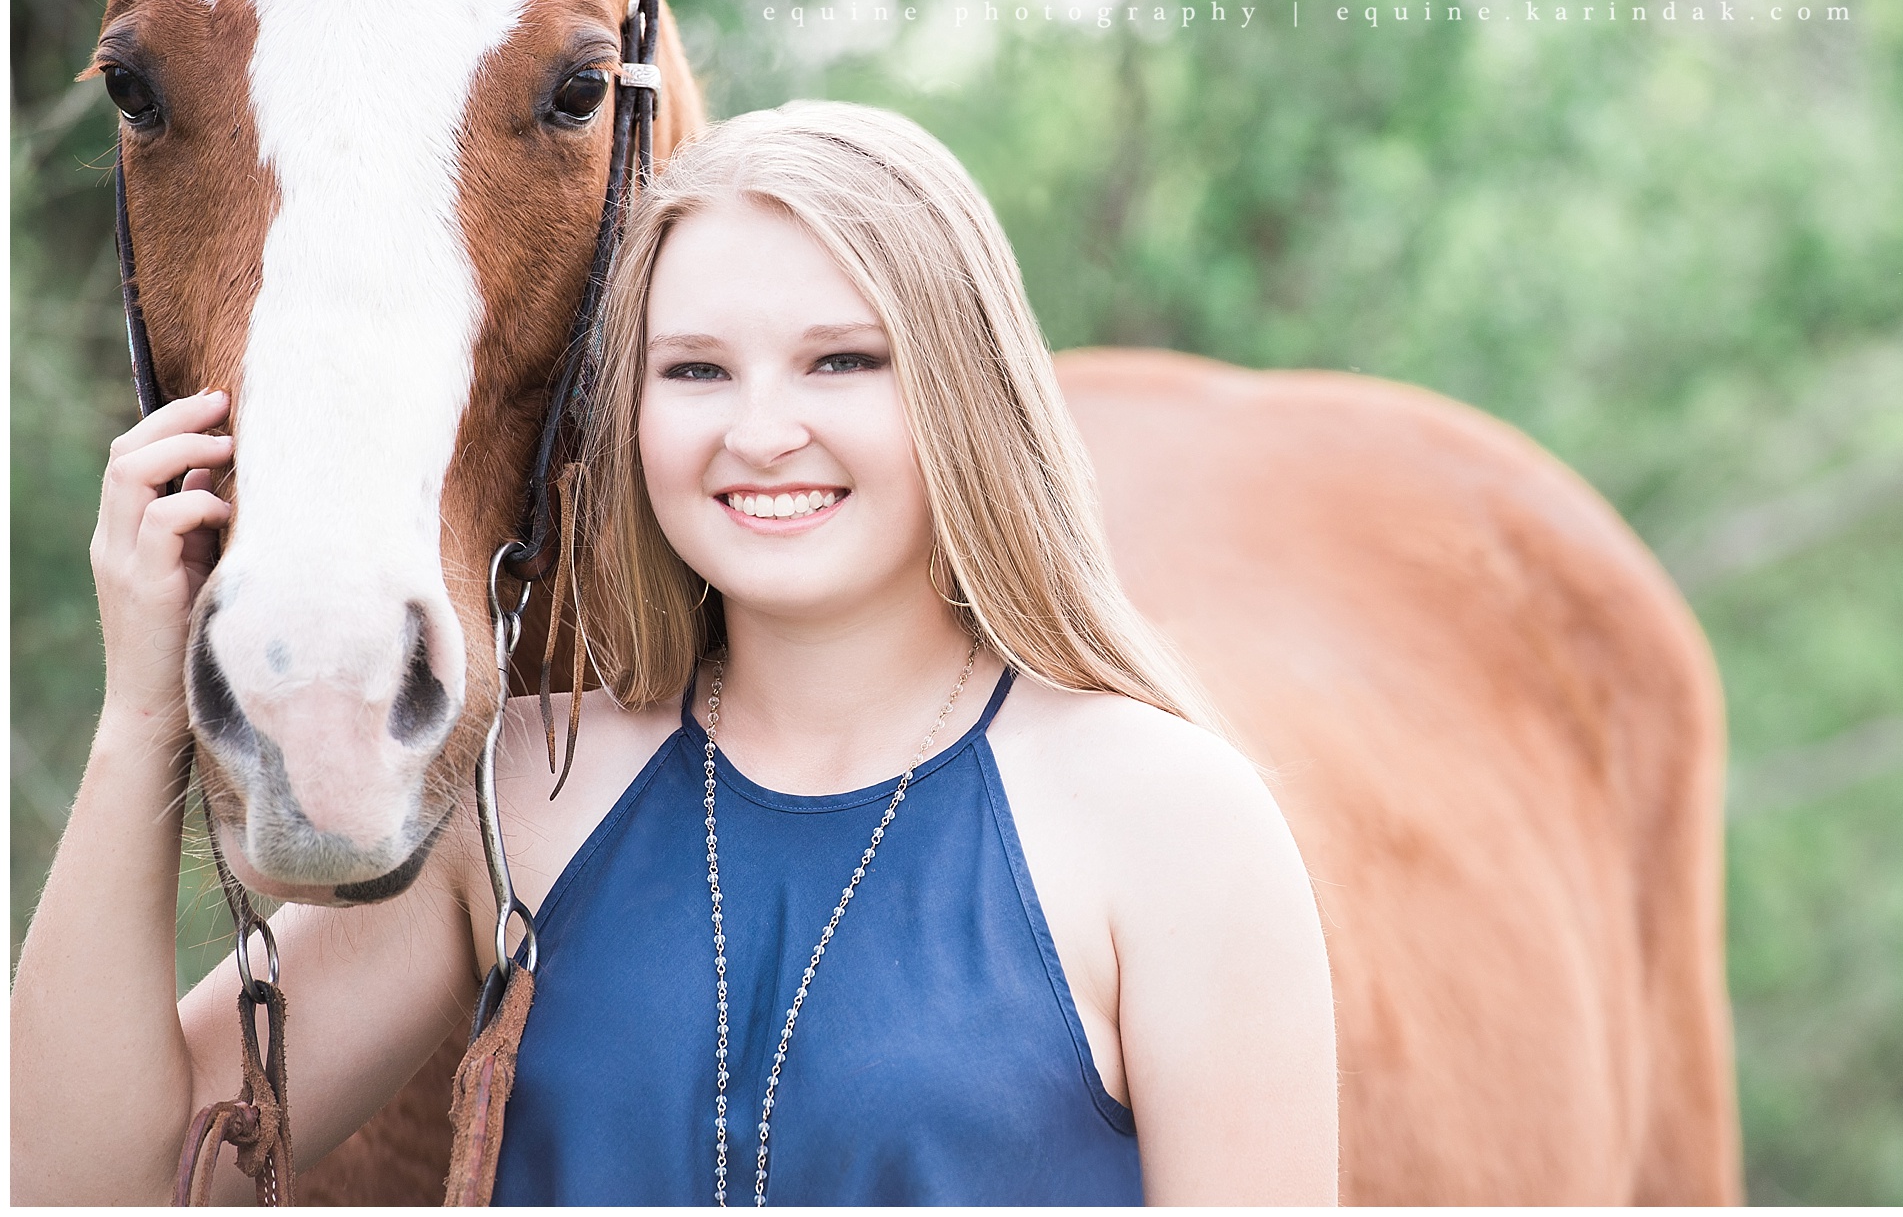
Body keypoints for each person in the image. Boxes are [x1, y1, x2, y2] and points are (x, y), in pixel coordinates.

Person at [12, 101, 1338, 1205]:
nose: (759, 433)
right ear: (626, 414)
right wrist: (140, 712)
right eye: (694, 371)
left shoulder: (1169, 820)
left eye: (841, 362)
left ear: (965, 394)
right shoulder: (519, 792)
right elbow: (93, 1185)